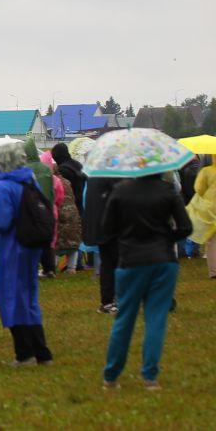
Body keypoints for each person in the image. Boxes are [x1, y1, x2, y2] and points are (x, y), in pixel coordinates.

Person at [101, 172, 192, 389]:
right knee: (156, 319)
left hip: (130, 261)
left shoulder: (120, 191)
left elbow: (106, 230)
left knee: (124, 319)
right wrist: (165, 238)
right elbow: (186, 227)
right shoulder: (168, 191)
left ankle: (111, 376)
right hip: (163, 261)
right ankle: (150, 377)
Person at [0, 141, 53, 366]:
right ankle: (42, 352)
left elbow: (3, 220)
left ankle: (24, 353)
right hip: (31, 246)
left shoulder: (6, 186)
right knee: (29, 297)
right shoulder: (30, 180)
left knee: (12, 297)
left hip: (11, 248)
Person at [83, 176, 124, 312]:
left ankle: (107, 301)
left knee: (107, 264)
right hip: (113, 226)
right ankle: (119, 300)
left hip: (100, 226)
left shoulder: (93, 177)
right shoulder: (113, 177)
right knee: (119, 263)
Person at [23, 140, 57, 277]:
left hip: (31, 209)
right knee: (46, 239)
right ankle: (49, 268)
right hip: (47, 207)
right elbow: (52, 189)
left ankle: (33, 267)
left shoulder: (24, 169)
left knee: (31, 238)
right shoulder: (45, 169)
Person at [189, 157, 216, 278]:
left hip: (210, 208)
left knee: (211, 241)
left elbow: (198, 189)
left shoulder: (206, 171)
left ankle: (214, 271)